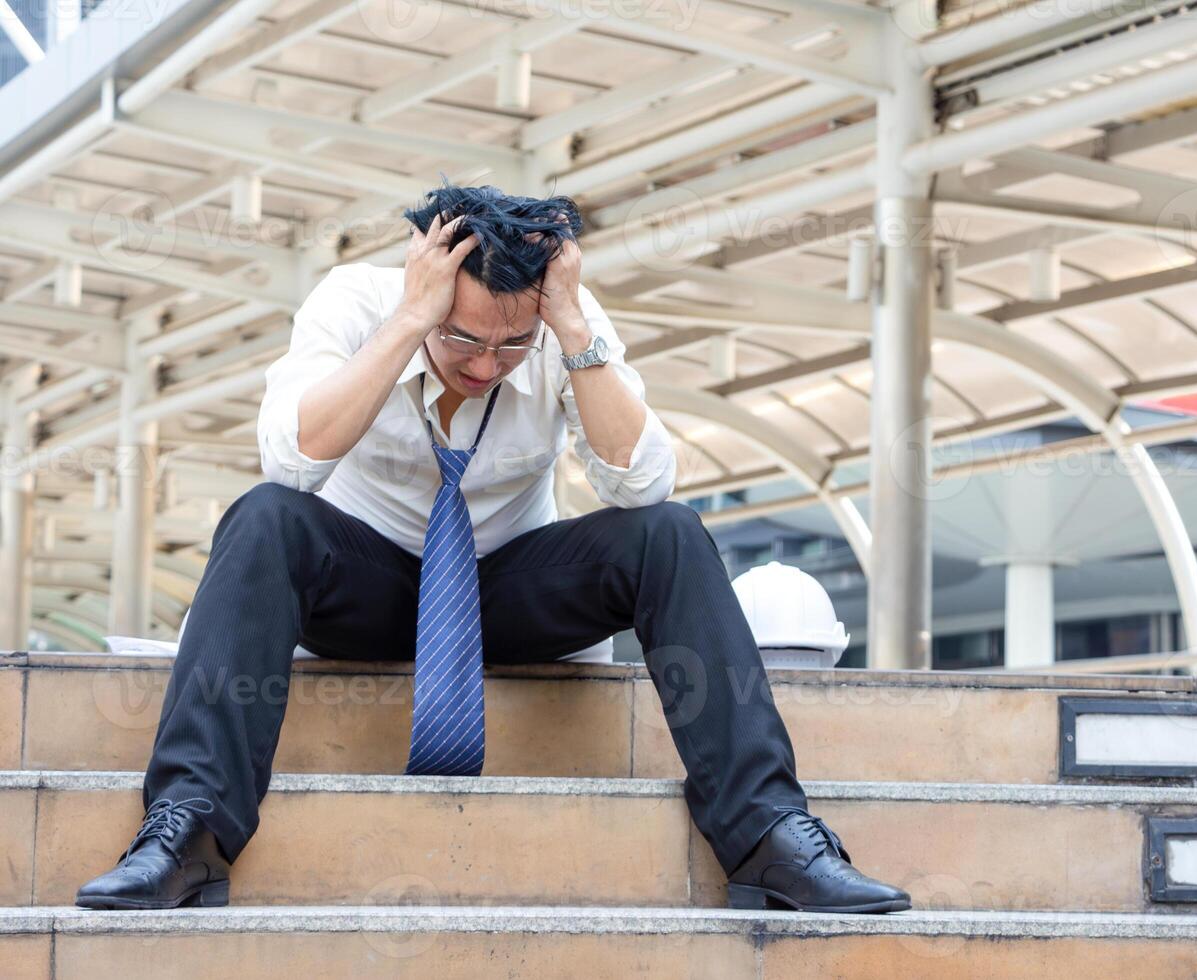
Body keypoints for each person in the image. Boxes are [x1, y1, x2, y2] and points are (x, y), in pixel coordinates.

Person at [74, 184, 911, 915]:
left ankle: (769, 835)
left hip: (502, 591)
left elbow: (642, 484)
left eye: (510, 348)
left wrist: (572, 330)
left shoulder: (556, 323)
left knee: (671, 533)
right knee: (263, 516)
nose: (487, 364)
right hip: (361, 584)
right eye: (465, 340)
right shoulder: (357, 302)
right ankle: (189, 834)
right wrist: (410, 323)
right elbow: (292, 458)